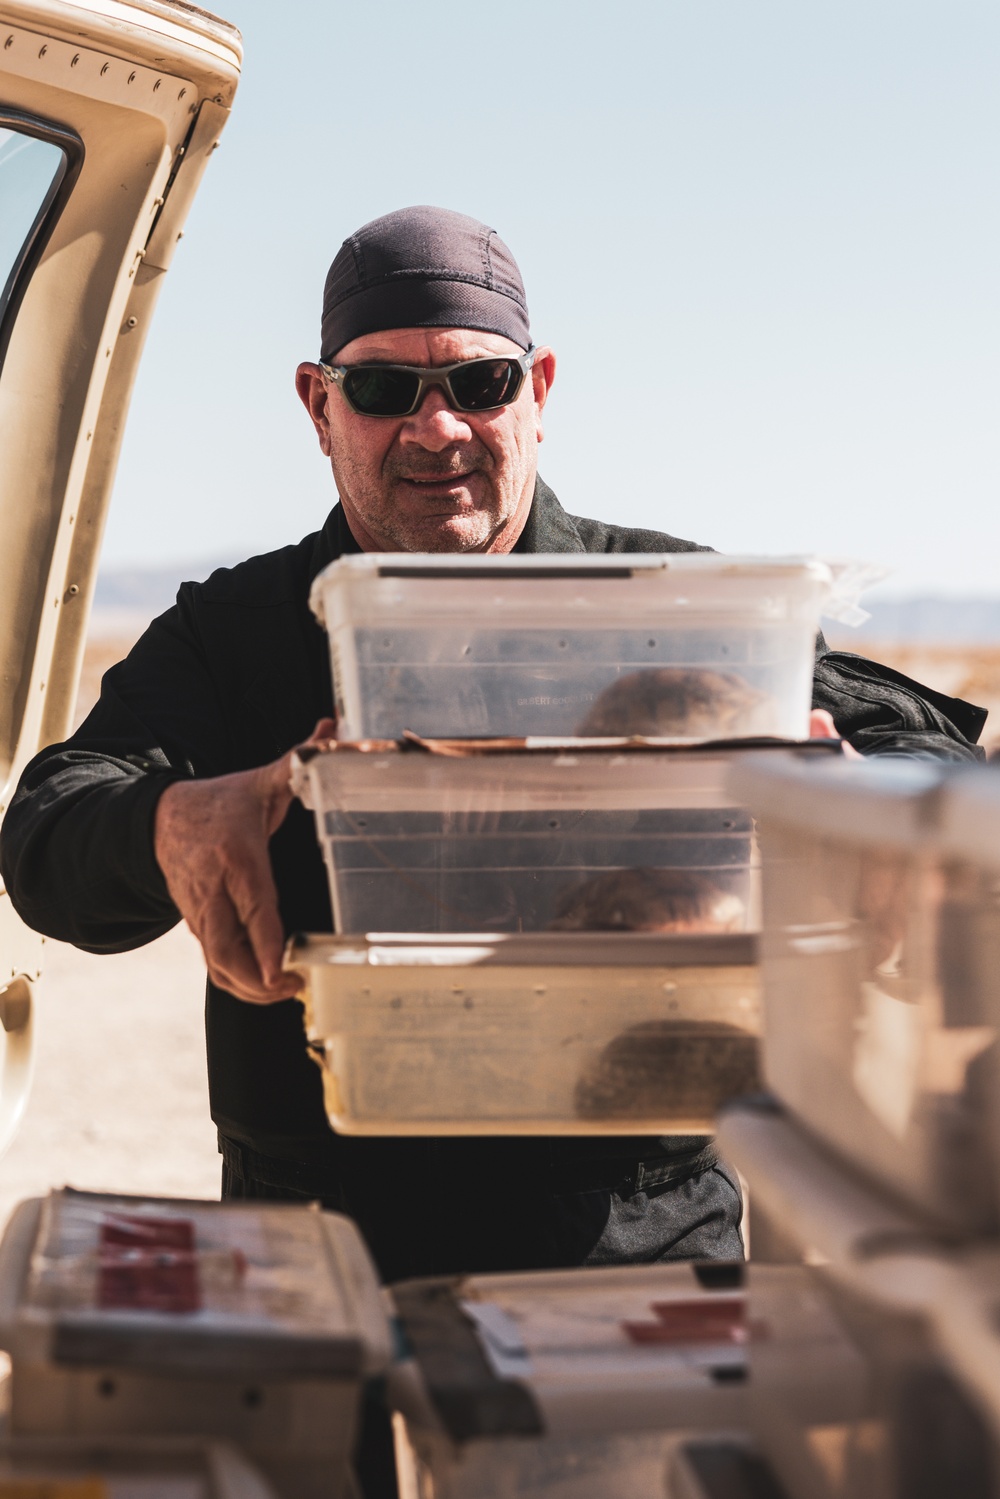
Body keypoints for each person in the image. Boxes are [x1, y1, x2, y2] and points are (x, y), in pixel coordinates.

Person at [0, 206, 985, 1283]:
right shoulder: (234, 631)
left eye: (479, 384)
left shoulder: (673, 603)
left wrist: (864, 807)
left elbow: (923, 747)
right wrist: (166, 823)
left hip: (633, 1254)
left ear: (540, 392)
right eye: (381, 390)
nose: (436, 429)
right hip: (324, 1259)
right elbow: (48, 833)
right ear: (317, 405)